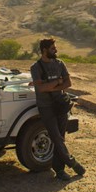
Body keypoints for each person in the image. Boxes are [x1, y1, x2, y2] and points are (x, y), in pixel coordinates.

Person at [30, 38, 86, 180]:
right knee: (56, 137)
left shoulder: (60, 64)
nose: (56, 50)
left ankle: (59, 171)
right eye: (53, 48)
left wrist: (55, 86)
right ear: (44, 50)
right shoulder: (36, 67)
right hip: (46, 107)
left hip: (60, 104)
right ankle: (72, 162)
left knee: (60, 138)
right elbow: (41, 88)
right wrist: (57, 82)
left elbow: (68, 82)